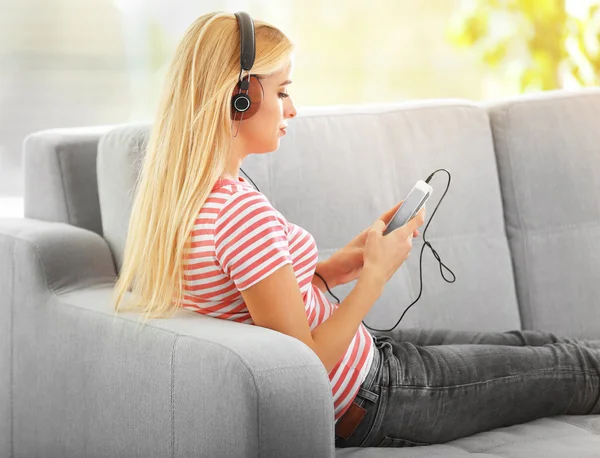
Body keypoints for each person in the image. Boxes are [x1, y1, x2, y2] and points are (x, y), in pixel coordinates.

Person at [112, 11, 600, 449]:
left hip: (370, 360)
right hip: (380, 394)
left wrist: (339, 266)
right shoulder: (239, 214)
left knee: (529, 343)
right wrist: (375, 279)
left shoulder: (187, 202)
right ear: (237, 99)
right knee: (575, 370)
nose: (293, 109)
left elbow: (260, 304)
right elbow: (299, 369)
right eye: (281, 92)